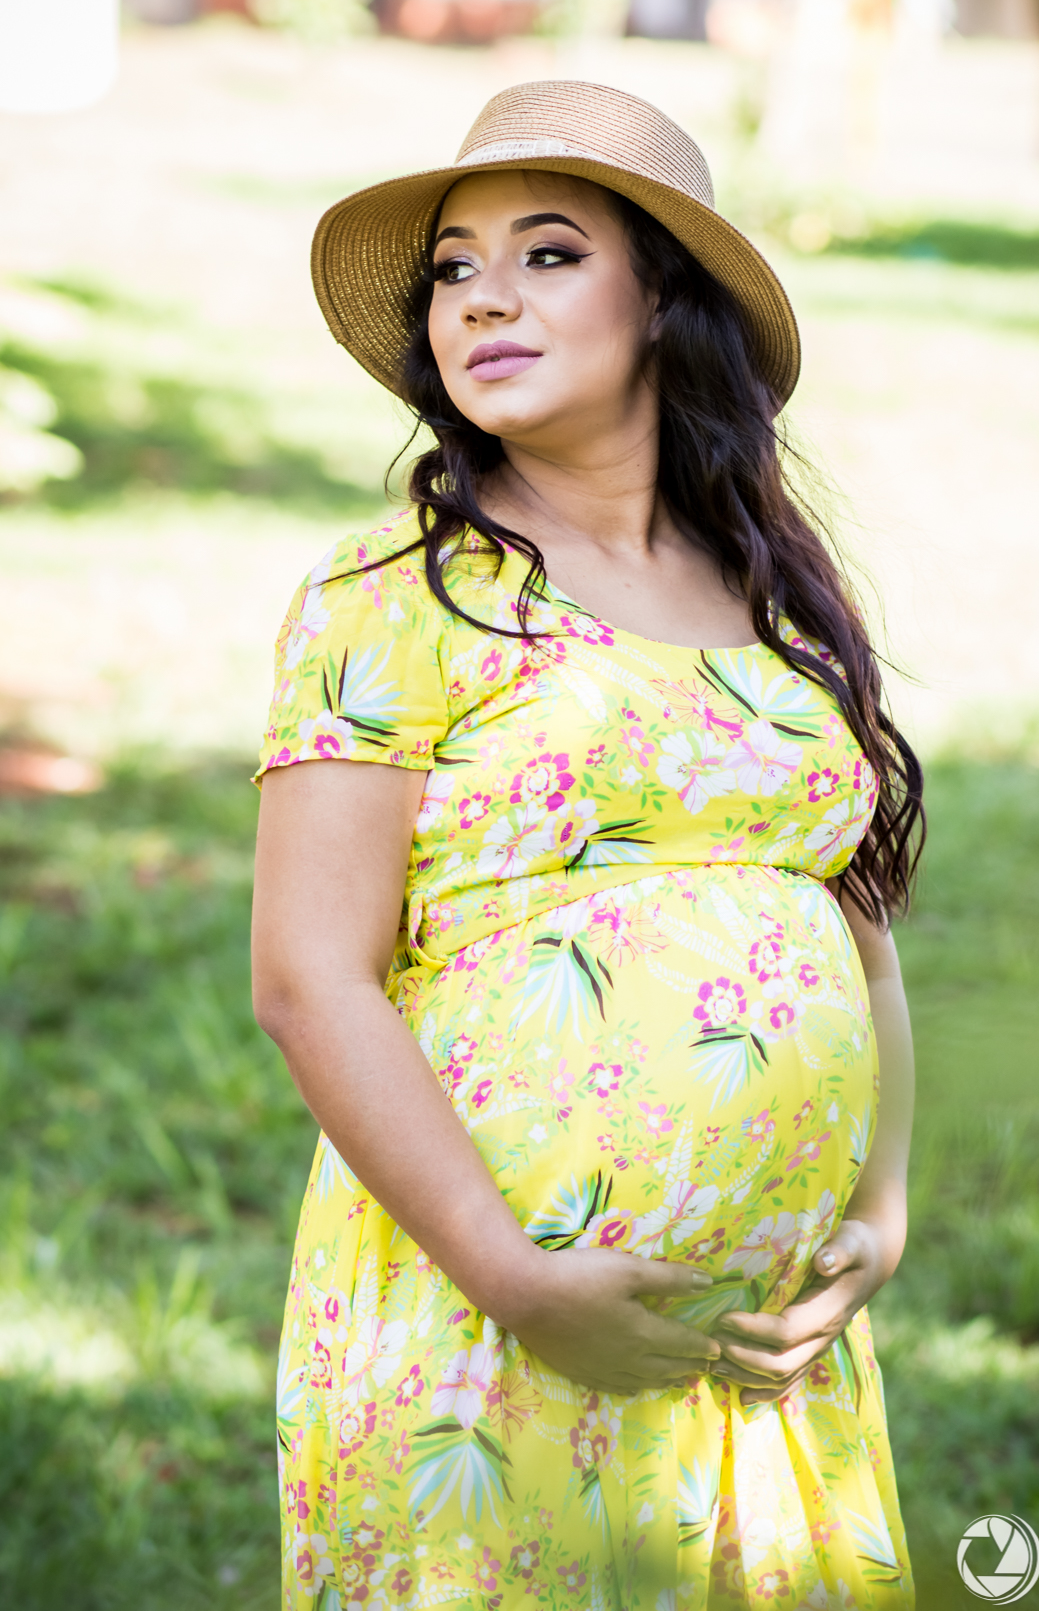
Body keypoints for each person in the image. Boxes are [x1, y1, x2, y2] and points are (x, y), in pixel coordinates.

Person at [251, 80, 923, 1611]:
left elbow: (857, 927)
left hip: (757, 1359)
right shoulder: (395, 596)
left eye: (549, 253)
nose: (483, 293)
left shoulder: (774, 602)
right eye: (454, 266)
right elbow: (309, 977)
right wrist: (515, 1276)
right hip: (487, 1317)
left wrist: (877, 1212)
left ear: (666, 303)